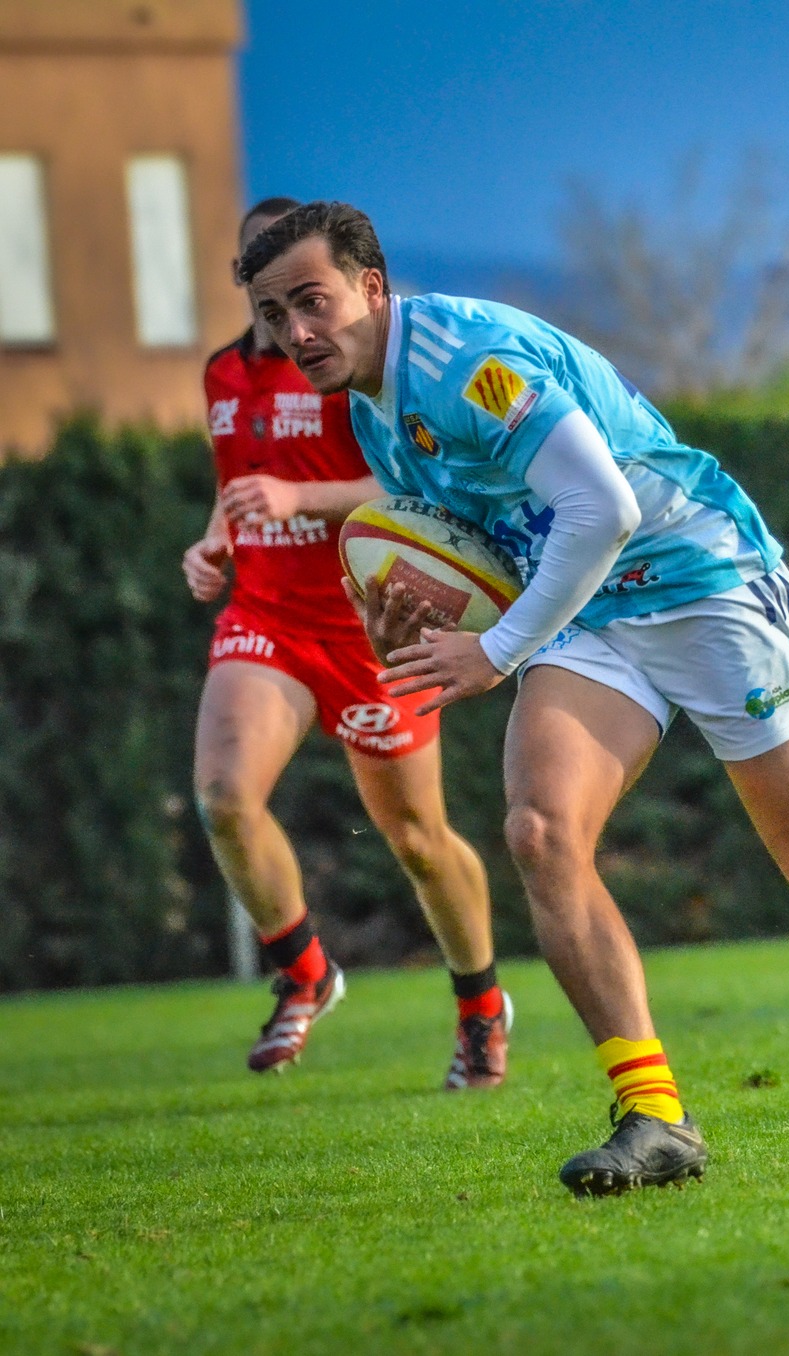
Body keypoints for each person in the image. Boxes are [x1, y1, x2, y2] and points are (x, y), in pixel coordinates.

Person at [237, 201, 789, 1194]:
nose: (296, 334)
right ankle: (653, 1114)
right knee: (540, 834)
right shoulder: (373, 403)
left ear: (371, 284)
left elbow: (602, 507)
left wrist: (493, 646)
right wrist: (401, 610)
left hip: (699, 575)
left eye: (312, 303)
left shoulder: (464, 360)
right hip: (591, 610)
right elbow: (478, 539)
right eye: (274, 314)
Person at [184, 197, 505, 1088]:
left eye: (297, 284)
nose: (279, 303)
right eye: (260, 278)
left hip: (370, 623)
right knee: (222, 796)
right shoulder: (223, 373)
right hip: (267, 616)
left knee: (415, 837)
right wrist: (216, 539)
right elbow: (239, 484)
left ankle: (481, 1006)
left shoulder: (349, 362)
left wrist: (301, 501)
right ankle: (303, 972)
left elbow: (404, 480)